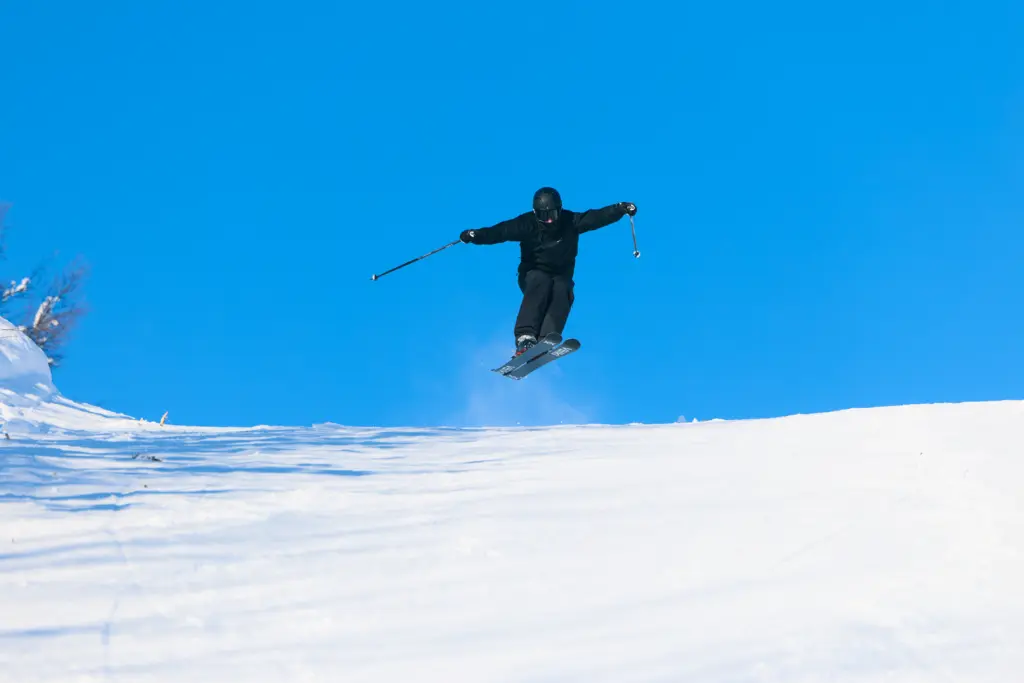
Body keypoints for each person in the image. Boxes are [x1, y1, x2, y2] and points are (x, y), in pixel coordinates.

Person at [460, 187, 637, 356]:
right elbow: (500, 232)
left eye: (552, 214)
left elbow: (597, 217)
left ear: (559, 210)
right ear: (536, 214)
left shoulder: (571, 221)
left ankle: (546, 338)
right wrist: (476, 235)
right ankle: (525, 337)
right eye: (544, 216)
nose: (549, 220)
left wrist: (620, 208)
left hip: (561, 276)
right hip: (532, 275)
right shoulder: (526, 224)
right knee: (542, 280)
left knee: (563, 287)